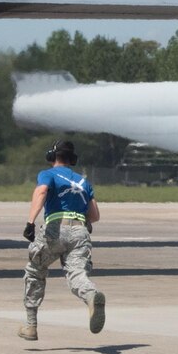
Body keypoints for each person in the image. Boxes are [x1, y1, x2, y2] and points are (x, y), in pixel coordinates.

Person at [20, 140, 104, 340]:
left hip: (55, 229)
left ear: (52, 156)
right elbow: (94, 216)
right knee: (76, 274)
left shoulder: (47, 175)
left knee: (35, 270)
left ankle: (31, 325)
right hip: (80, 231)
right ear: (71, 159)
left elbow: (41, 192)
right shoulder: (84, 182)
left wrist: (30, 222)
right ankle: (91, 295)